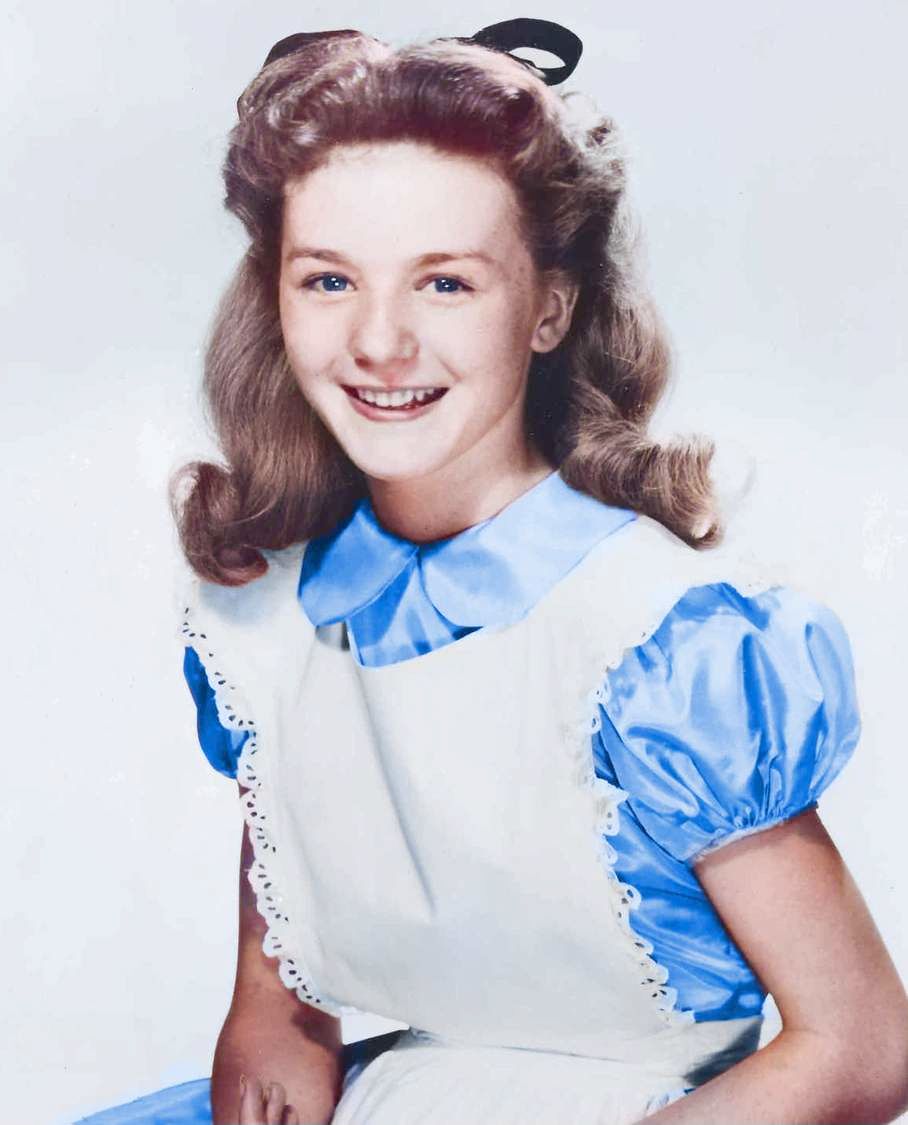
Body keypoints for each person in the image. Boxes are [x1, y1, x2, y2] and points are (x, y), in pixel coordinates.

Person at [79, 19, 908, 1125]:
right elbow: (279, 995)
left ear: (549, 309)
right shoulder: (272, 618)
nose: (379, 343)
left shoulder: (662, 642)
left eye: (445, 284)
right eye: (328, 280)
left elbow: (860, 1046)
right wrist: (271, 1034)